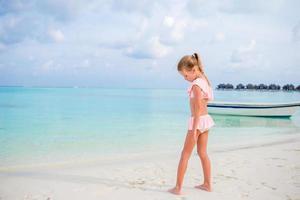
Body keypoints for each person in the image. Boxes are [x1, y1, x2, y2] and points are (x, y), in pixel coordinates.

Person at [168, 53, 215, 195]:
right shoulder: (204, 80)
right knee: (202, 153)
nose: (185, 78)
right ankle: (207, 184)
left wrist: (194, 130)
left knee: (185, 154)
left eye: (185, 75)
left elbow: (197, 109)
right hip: (205, 120)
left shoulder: (196, 85)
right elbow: (207, 102)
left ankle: (177, 188)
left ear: (193, 70)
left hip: (197, 122)